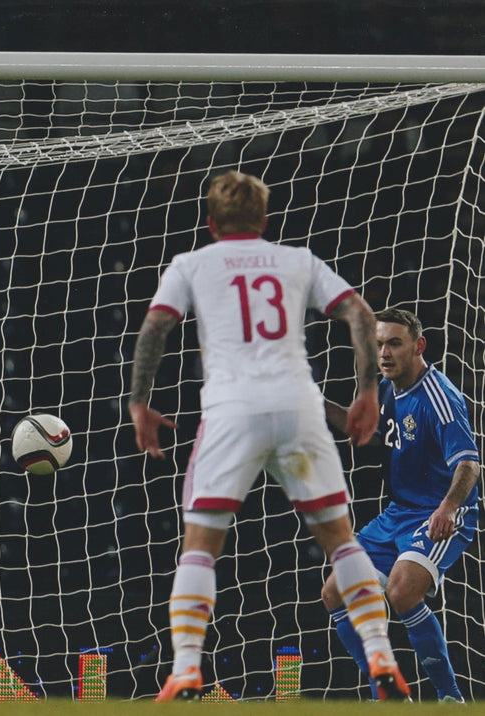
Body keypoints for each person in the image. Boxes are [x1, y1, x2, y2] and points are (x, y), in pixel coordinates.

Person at [127, 170, 410, 701]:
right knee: (341, 540)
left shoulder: (191, 264)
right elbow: (359, 312)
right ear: (265, 220)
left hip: (232, 412)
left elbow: (155, 328)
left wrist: (140, 401)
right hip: (297, 410)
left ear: (210, 223)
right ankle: (380, 655)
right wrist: (367, 392)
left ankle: (187, 668)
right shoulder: (295, 259)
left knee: (201, 547)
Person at [321, 308, 479, 702]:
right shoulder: (389, 388)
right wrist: (316, 403)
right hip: (398, 513)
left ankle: (450, 698)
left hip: (441, 511)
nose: (385, 353)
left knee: (402, 591)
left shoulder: (440, 397)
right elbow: (372, 436)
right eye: (378, 345)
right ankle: (389, 695)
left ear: (418, 346)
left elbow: (469, 463)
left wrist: (446, 509)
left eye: (394, 343)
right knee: (335, 592)